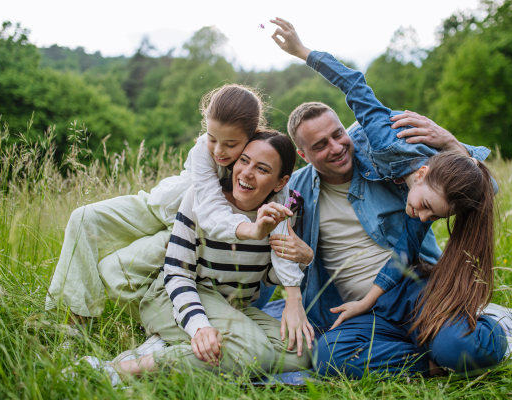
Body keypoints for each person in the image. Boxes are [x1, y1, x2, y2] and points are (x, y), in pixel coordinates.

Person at [266, 18, 508, 377]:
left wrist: (451, 145)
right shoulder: (295, 191)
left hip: (414, 289)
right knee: (328, 357)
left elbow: (482, 190)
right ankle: (429, 359)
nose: (336, 148)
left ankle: (462, 335)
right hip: (358, 310)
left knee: (466, 348)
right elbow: (258, 228)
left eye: (338, 134)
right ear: (303, 155)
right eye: (320, 145)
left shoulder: (384, 154)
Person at [46, 84, 312, 353]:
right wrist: (251, 230)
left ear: (252, 135)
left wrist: (294, 295)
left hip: (190, 223)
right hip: (165, 206)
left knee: (127, 267)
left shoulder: (264, 160)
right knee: (83, 218)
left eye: (230, 144)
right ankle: (72, 322)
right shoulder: (203, 151)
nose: (218, 151)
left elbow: (278, 237)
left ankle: (168, 326)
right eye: (212, 138)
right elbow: (210, 210)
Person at [80, 131, 312, 383]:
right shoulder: (201, 199)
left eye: (262, 169)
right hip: (174, 297)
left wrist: (301, 256)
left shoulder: (281, 213)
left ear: (280, 183)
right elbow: (177, 274)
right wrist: (199, 326)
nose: (246, 172)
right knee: (253, 352)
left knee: (303, 352)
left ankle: (166, 348)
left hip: (233, 308)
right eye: (244, 161)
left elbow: (267, 276)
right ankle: (119, 370)